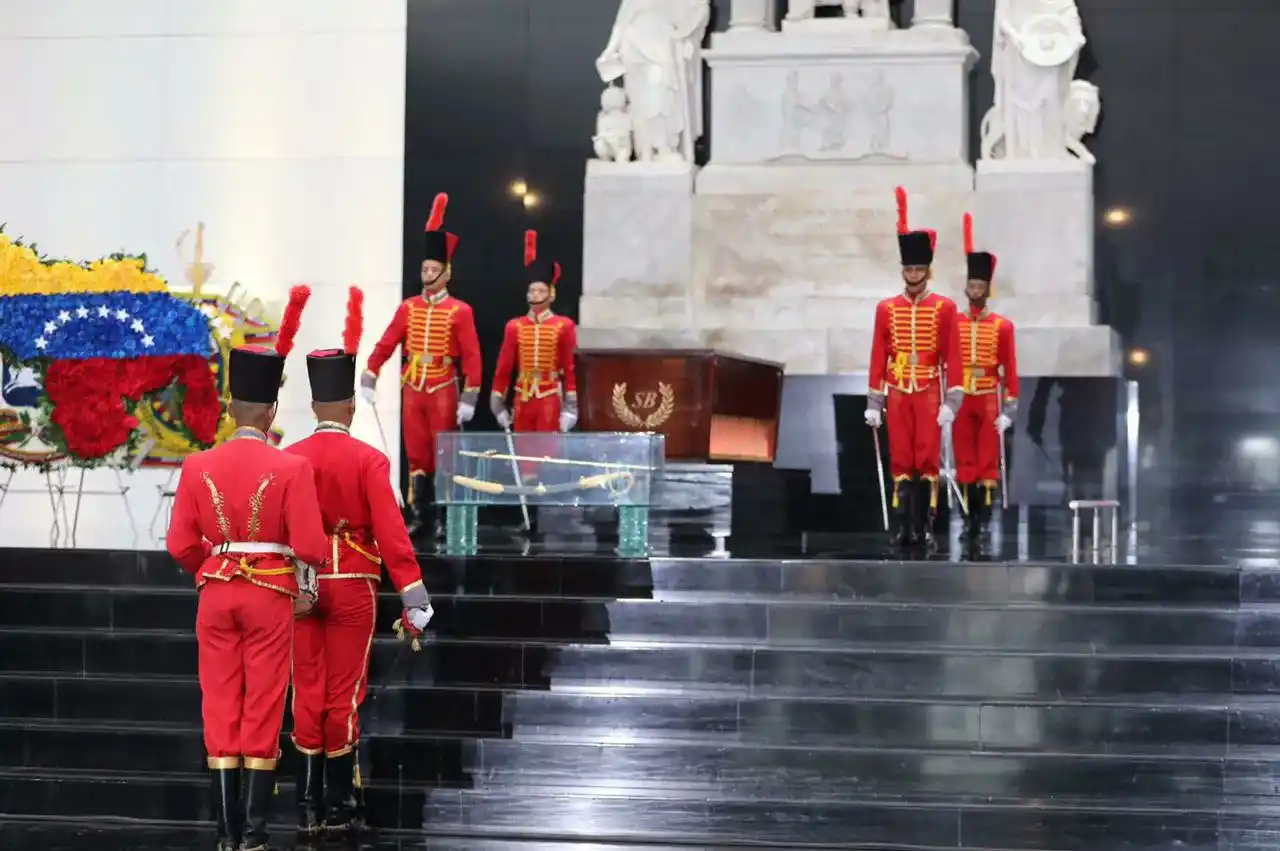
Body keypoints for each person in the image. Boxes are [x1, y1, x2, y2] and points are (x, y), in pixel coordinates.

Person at [166, 286, 328, 851]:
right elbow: (310, 543)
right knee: (262, 703)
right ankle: (254, 833)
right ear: (271, 412)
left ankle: (223, 828)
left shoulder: (196, 464)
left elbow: (180, 543)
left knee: (218, 701)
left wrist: (208, 568)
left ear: (233, 410)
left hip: (216, 591)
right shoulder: (292, 466)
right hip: (269, 593)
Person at [287, 287, 434, 836]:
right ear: (349, 406)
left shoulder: (290, 456)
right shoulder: (369, 459)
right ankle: (338, 801)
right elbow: (394, 536)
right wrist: (415, 598)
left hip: (300, 586)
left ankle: (304, 803)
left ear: (313, 406)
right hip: (352, 583)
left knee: (306, 687)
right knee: (344, 690)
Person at [361, 192, 482, 539]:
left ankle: (445, 517)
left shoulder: (460, 310)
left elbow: (472, 355)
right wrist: (371, 371)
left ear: (447, 273)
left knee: (444, 454)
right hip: (413, 387)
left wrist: (470, 396)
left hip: (444, 385)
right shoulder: (409, 307)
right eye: (424, 268)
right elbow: (387, 342)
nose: (427, 274)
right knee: (416, 454)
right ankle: (419, 514)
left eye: (434, 269)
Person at [865, 186, 964, 549]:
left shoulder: (945, 308)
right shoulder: (886, 309)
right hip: (897, 391)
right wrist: (875, 403)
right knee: (902, 461)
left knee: (926, 459)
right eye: (908, 267)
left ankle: (924, 526)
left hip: (928, 391)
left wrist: (951, 403)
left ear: (928, 270)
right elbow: (879, 355)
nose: (913, 273)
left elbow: (953, 356)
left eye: (919, 267)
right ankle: (902, 525)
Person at [954, 212, 1019, 547]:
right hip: (962, 398)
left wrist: (1010, 408)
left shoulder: (1002, 326)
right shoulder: (953, 322)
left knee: (988, 466)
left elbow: (1010, 368)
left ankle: (985, 522)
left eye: (980, 285)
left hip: (990, 399)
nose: (975, 289)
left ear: (987, 289)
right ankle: (967, 521)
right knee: (965, 464)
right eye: (972, 285)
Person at [490, 230, 580, 456]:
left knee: (548, 453)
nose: (536, 294)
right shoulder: (515, 326)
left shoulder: (564, 325)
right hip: (523, 394)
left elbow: (570, 368)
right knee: (524, 453)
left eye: (541, 290)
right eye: (532, 290)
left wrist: (571, 408)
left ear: (551, 294)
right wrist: (498, 403)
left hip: (550, 395)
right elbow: (504, 368)